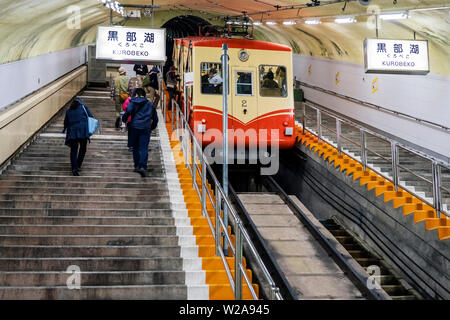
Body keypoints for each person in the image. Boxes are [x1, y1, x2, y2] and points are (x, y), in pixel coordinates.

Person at [122, 88, 159, 177]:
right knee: (144, 147)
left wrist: (124, 119)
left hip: (134, 127)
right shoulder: (150, 104)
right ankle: (143, 166)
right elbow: (155, 118)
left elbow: (128, 111)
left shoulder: (133, 102)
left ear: (137, 94)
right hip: (146, 128)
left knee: (135, 147)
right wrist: (151, 127)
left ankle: (137, 166)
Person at [63, 97, 94, 176]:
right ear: (80, 103)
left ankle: (74, 168)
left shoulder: (68, 111)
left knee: (74, 150)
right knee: (83, 148)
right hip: (83, 131)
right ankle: (79, 164)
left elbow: (66, 123)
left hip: (72, 132)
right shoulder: (83, 108)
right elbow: (91, 117)